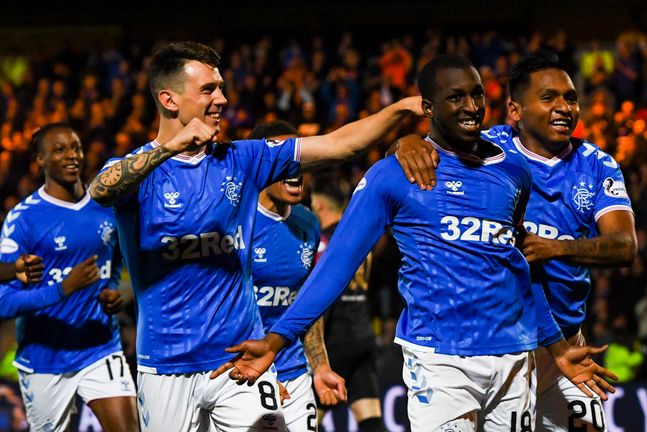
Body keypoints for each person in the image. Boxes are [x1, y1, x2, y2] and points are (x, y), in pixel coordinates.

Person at [212, 55, 617, 432]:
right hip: (441, 361)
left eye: (476, 94)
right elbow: (335, 265)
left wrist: (558, 349)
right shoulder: (392, 176)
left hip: (515, 358)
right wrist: (279, 338)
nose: (471, 106)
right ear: (427, 108)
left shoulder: (513, 172)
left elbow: (517, 269)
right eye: (455, 97)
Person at [87, 41, 422, 432]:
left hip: (240, 361)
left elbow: (337, 145)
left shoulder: (242, 159)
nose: (222, 99)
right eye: (209, 90)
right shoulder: (138, 173)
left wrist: (398, 110)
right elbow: (100, 189)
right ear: (169, 100)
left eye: (222, 87)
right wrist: (171, 147)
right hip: (166, 366)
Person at [397, 50, 637, 432]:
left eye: (570, 98)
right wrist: (408, 141)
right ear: (515, 109)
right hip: (506, 342)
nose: (564, 108)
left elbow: (625, 246)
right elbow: (432, 143)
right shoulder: (488, 149)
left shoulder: (597, 164)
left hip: (567, 339)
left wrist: (556, 248)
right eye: (549, 98)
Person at [0, 123, 138, 432]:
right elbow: (3, 304)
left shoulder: (104, 207)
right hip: (45, 359)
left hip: (100, 347)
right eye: (59, 150)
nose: (71, 155)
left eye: (75, 147)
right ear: (40, 159)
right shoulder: (24, 219)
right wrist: (63, 289)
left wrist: (111, 290)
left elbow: (113, 261)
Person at [248, 120, 346, 432]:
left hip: (294, 368)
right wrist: (260, 378)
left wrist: (320, 366)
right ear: (261, 166)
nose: (295, 167)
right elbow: (218, 307)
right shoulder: (236, 221)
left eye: (300, 158)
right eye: (284, 159)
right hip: (242, 369)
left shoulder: (307, 222)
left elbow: (307, 303)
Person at [309, 173, 386, 432]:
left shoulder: (324, 243)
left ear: (318, 205)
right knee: (371, 416)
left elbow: (321, 298)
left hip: (335, 338)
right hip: (362, 334)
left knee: (310, 418)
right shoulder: (361, 238)